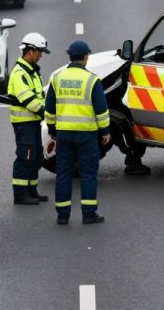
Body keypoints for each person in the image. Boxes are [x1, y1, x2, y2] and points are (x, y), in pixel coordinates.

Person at [45, 40, 110, 225]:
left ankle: (62, 215)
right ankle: (89, 214)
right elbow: (101, 110)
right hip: (87, 135)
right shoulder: (92, 80)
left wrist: (52, 129)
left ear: (70, 57)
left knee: (63, 174)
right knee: (88, 174)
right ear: (85, 57)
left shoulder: (57, 78)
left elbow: (49, 109)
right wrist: (105, 131)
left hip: (64, 134)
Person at [7, 32, 50, 205]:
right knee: (25, 157)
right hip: (24, 123)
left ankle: (32, 190)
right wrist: (44, 112)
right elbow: (28, 99)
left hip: (33, 122)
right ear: (30, 51)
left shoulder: (31, 72)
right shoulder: (20, 73)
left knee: (35, 157)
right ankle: (20, 194)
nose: (40, 56)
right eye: (39, 52)